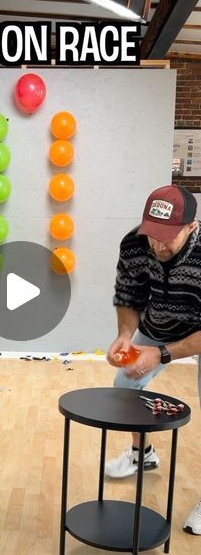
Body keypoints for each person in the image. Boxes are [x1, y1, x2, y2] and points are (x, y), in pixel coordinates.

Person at [106, 184, 201, 536]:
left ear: (191, 227)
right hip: (156, 326)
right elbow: (129, 296)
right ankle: (142, 453)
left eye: (167, 238)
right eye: (153, 236)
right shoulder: (134, 243)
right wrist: (125, 336)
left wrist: (162, 353)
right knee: (124, 387)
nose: (158, 245)